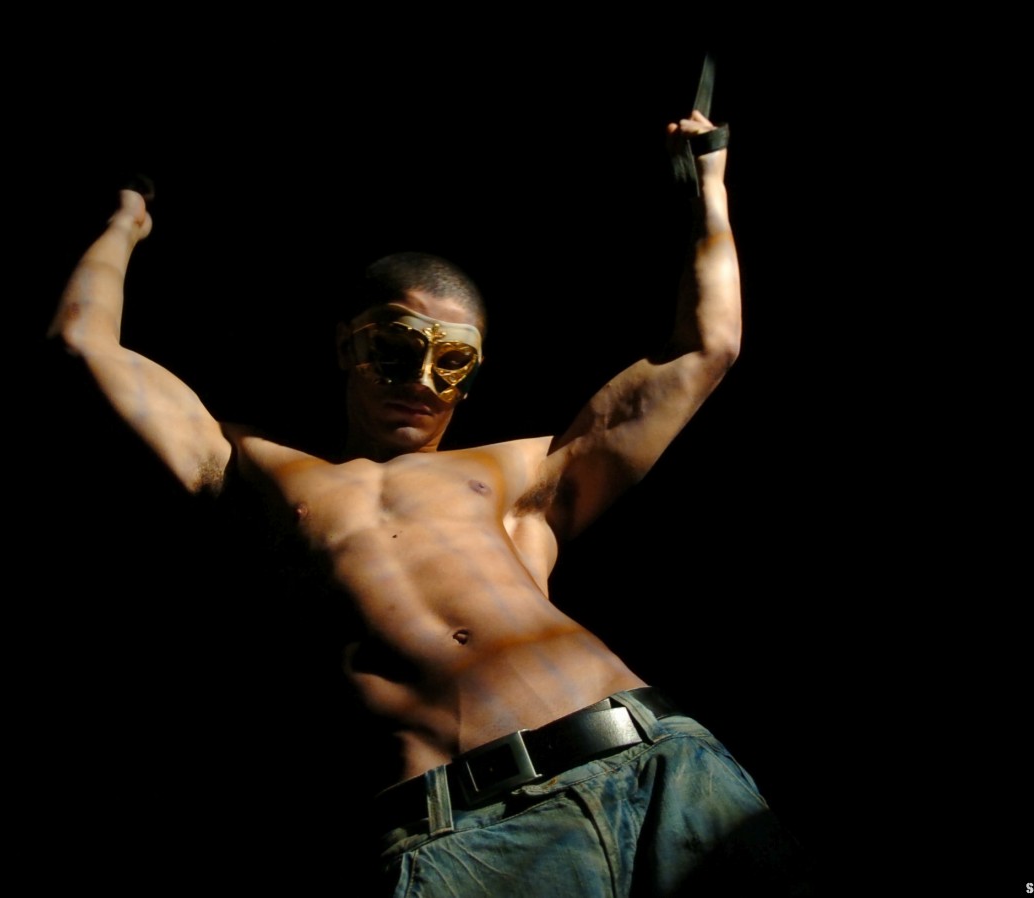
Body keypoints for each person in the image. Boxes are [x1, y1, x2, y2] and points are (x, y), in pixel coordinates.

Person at [48, 106, 808, 895]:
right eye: (394, 348)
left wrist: (709, 185)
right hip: (470, 835)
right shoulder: (258, 467)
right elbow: (83, 342)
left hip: (656, 765)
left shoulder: (522, 470)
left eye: (449, 361)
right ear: (347, 343)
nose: (418, 380)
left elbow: (705, 347)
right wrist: (125, 221)